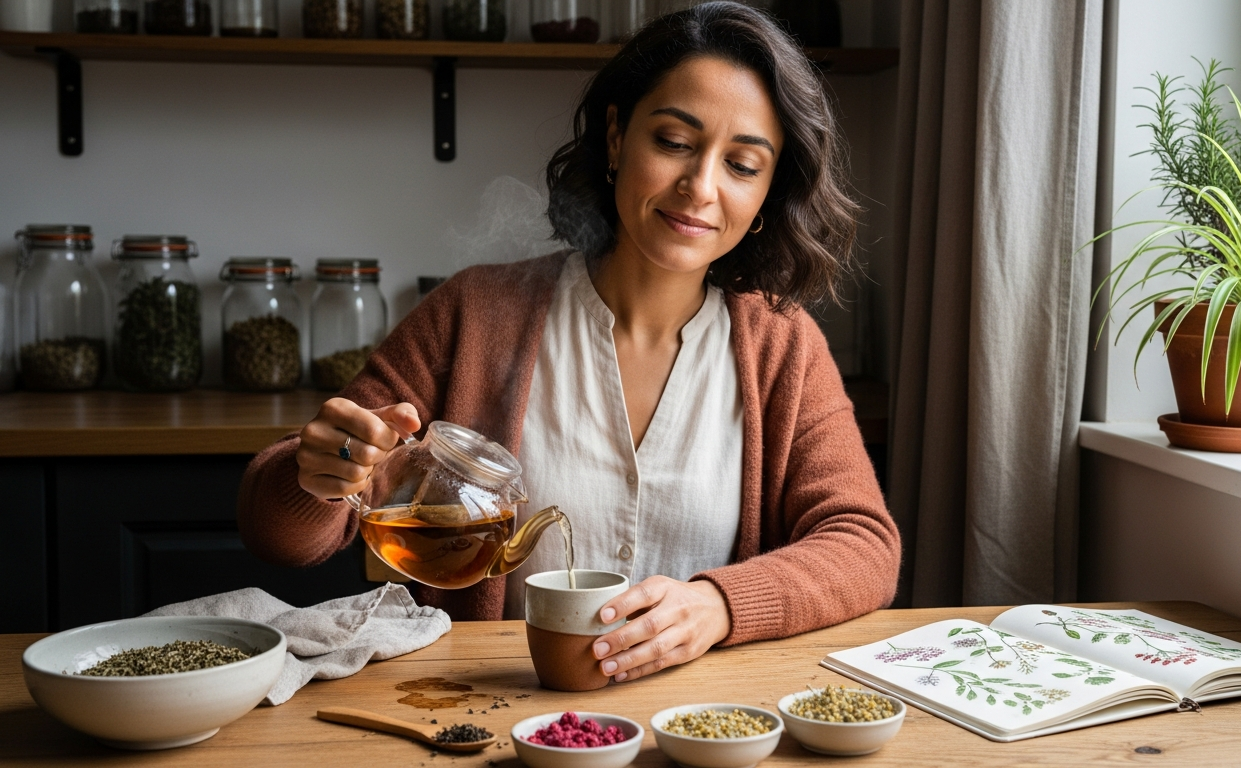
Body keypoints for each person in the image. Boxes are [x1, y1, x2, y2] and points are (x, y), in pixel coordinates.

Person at [238, 1, 900, 685]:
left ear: (767, 193)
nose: (700, 187)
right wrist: (315, 475)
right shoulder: (474, 313)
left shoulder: (782, 347)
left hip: (699, 722)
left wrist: (720, 605)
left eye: (741, 164)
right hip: (485, 712)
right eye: (674, 141)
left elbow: (864, 545)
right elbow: (276, 535)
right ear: (616, 137)